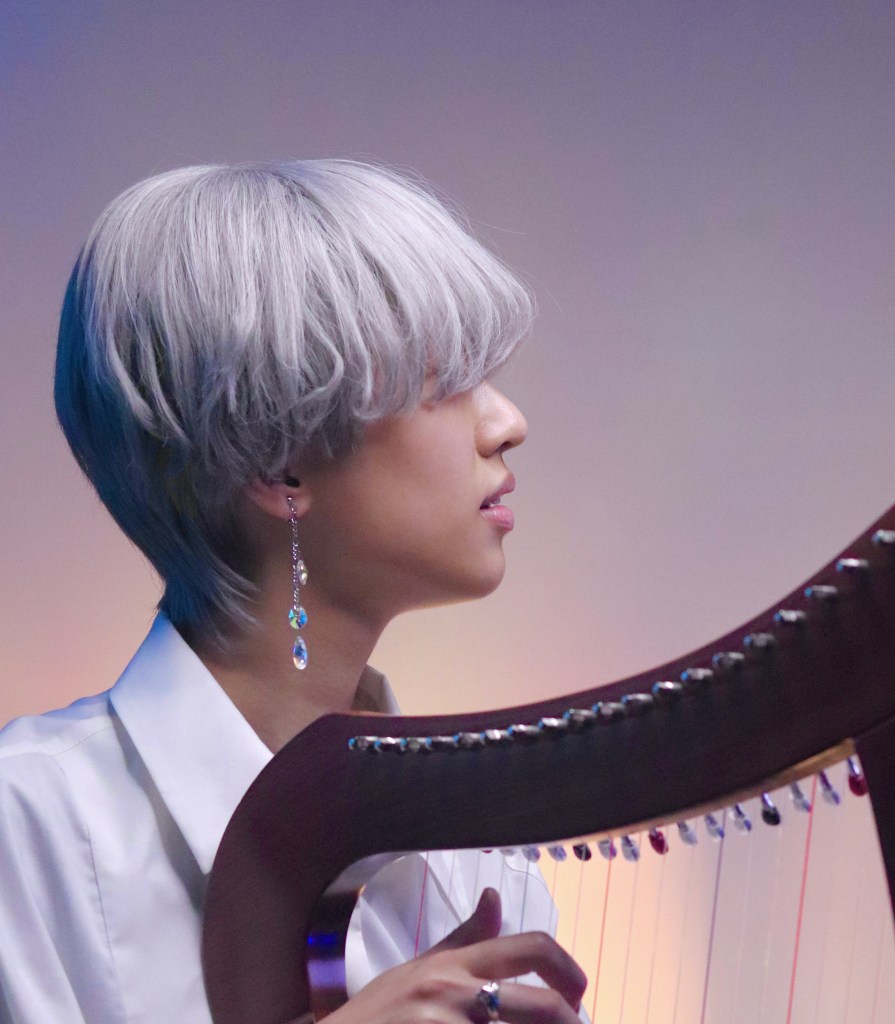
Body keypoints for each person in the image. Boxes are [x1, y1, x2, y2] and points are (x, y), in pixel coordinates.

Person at [0, 161, 587, 1024]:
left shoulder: (485, 872)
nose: (508, 423)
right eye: (450, 383)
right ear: (280, 466)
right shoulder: (24, 828)